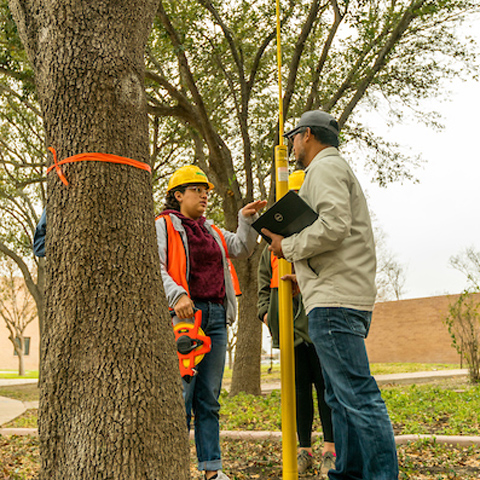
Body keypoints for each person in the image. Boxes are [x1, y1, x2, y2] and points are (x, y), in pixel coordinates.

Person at [262, 110, 399, 480]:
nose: (291, 145)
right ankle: (349, 473)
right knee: (340, 398)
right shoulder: (333, 169)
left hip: (334, 301)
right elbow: (337, 233)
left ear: (307, 135)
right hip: (338, 294)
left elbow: (334, 226)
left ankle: (381, 475)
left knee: (356, 395)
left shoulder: (323, 169)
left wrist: (286, 245)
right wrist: (302, 271)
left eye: (293, 138)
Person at [155, 165, 266, 480]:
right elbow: (156, 265)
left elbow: (243, 248)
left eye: (206, 190)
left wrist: (246, 220)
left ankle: (211, 470)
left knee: (209, 397)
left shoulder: (213, 230)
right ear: (178, 195)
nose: (204, 195)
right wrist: (177, 296)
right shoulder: (163, 225)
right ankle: (173, 467)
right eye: (196, 189)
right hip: (185, 319)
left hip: (216, 317)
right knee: (182, 397)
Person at [257, 170, 335, 475]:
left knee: (326, 389)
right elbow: (263, 286)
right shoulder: (272, 248)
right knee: (299, 391)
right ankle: (304, 450)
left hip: (317, 324)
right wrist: (266, 314)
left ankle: (330, 449)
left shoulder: (317, 239)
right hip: (289, 333)